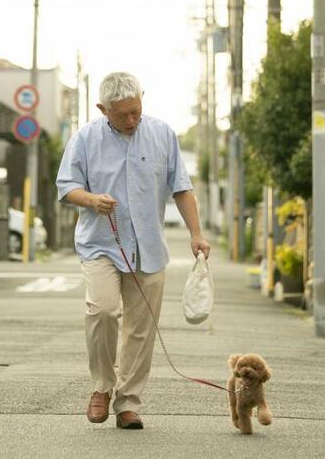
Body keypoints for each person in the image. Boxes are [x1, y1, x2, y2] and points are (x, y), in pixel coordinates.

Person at [56, 71, 211, 430]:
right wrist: (92, 199)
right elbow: (66, 187)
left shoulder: (162, 134)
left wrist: (196, 234)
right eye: (123, 114)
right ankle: (101, 386)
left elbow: (182, 188)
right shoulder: (85, 138)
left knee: (141, 329)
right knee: (103, 311)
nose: (132, 120)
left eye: (136, 111)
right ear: (103, 109)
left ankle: (129, 402)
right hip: (100, 244)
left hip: (149, 247)